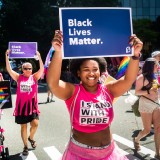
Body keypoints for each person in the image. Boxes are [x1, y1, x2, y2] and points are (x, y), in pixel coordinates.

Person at [47, 30, 143, 160]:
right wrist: (58, 52)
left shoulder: (109, 90)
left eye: (95, 69)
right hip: (80, 155)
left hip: (110, 153)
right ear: (79, 73)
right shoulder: (73, 92)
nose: (91, 73)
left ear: (100, 71)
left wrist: (135, 55)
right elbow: (53, 83)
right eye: (86, 70)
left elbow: (128, 80)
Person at [5, 49, 44, 156]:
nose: (27, 70)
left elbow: (42, 68)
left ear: (31, 69)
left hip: (32, 106)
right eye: (25, 68)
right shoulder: (18, 77)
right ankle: (25, 146)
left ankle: (31, 138)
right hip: (21, 107)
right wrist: (6, 56)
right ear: (22, 70)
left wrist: (39, 57)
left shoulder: (35, 77)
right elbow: (9, 69)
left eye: (29, 68)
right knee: (23, 127)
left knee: (35, 124)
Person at [133, 58, 160, 159]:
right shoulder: (141, 78)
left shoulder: (154, 77)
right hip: (145, 104)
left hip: (156, 103)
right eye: (156, 65)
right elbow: (137, 92)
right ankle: (136, 140)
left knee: (158, 129)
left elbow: (156, 90)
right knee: (147, 130)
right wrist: (149, 92)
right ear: (151, 66)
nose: (158, 67)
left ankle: (158, 153)